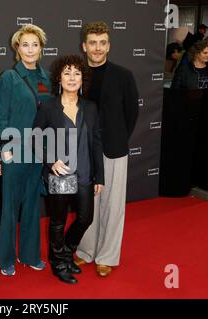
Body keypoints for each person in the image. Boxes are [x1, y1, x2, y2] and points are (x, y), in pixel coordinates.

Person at [74, 21, 139, 277]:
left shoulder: (124, 75)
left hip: (113, 148)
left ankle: (107, 256)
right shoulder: (75, 74)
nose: (97, 48)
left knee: (113, 205)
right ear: (84, 46)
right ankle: (86, 251)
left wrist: (118, 138)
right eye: (93, 43)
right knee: (87, 203)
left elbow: (131, 113)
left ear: (108, 45)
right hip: (83, 150)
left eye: (102, 43)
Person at [32, 55, 104, 284]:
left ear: (83, 78)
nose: (72, 78)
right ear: (59, 79)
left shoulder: (90, 108)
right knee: (58, 221)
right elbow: (34, 137)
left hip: (84, 172)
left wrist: (99, 176)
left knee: (85, 218)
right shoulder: (49, 106)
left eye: (77, 73)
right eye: (67, 73)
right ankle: (59, 263)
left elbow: (96, 141)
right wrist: (50, 160)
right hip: (60, 174)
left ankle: (65, 252)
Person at [0, 24, 52, 276]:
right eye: (25, 44)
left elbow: (52, 116)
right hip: (15, 152)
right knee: (9, 207)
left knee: (32, 205)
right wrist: (4, 151)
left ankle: (29, 255)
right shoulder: (9, 77)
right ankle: (5, 259)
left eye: (35, 44)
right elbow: (1, 117)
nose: (30, 49)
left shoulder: (47, 77)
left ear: (41, 48)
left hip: (39, 152)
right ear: (17, 48)